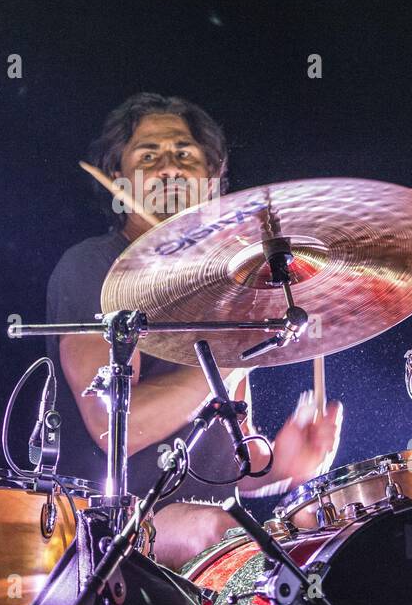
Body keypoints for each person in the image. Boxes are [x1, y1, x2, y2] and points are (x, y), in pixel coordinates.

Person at [46, 93, 342, 569]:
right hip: (107, 524)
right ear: (119, 179)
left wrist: (280, 466)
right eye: (148, 156)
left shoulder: (224, 288)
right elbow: (113, 427)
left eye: (185, 153)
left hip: (208, 521)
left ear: (212, 180)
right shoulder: (93, 267)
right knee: (221, 534)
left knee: (320, 544)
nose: (169, 167)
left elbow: (229, 465)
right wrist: (235, 355)